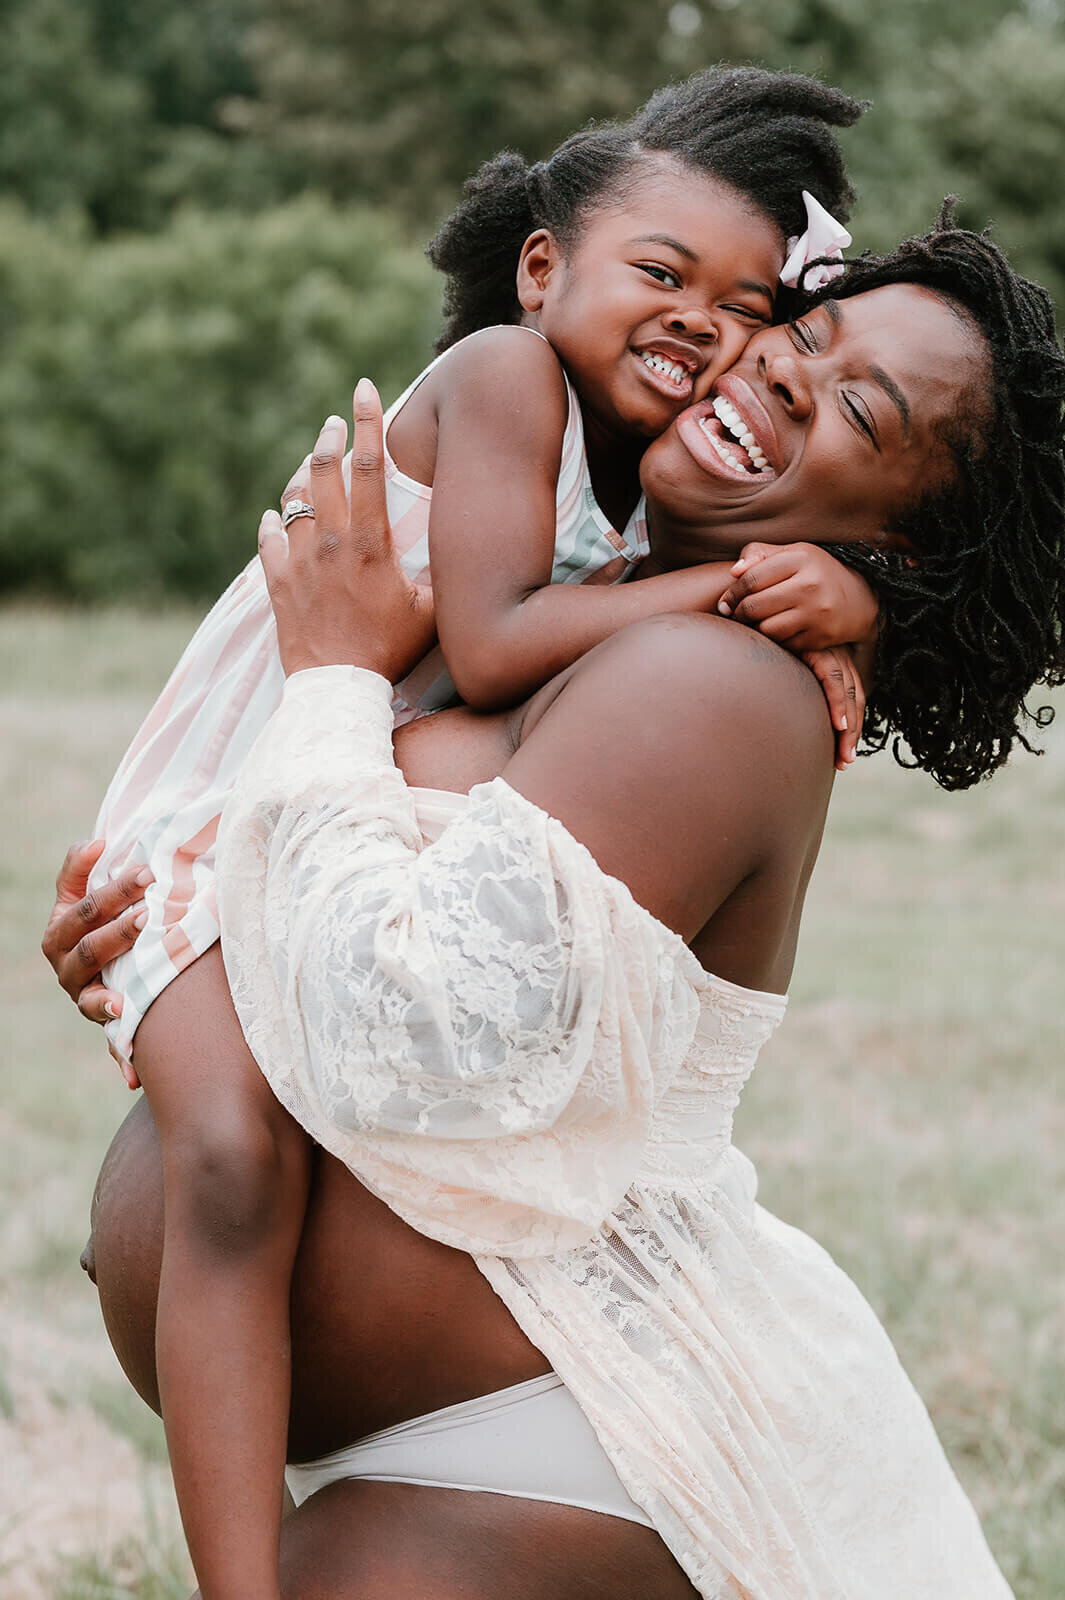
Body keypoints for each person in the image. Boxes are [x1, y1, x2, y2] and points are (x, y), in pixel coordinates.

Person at [45, 219, 1065, 1597]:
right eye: (803, 336)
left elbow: (413, 1039)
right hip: (453, 1444)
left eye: (855, 407)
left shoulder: (714, 686)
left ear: (898, 535)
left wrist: (332, 684)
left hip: (550, 1441)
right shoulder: (577, 603)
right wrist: (164, 936)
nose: (779, 378)